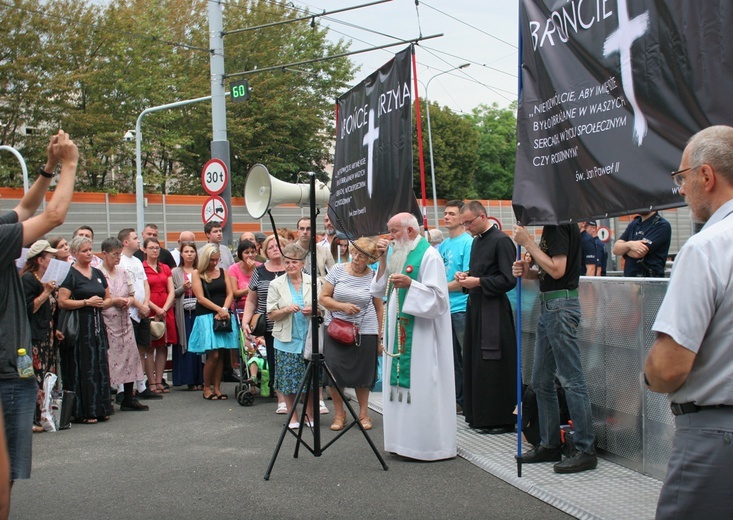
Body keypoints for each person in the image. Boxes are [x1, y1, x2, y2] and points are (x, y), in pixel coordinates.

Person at [643, 125, 733, 519]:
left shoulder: (707, 247)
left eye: (682, 178)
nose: (681, 189)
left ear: (706, 176)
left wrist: (648, 375)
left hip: (715, 437)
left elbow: (669, 367)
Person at [0, 130, 76, 493]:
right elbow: (54, 214)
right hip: (5, 367)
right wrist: (71, 162)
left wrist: (49, 165)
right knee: (6, 469)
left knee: (10, 469)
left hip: (15, 360)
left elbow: (26, 209)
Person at [370, 212, 456, 461]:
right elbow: (377, 289)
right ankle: (401, 443)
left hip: (422, 336)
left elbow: (439, 300)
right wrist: (383, 261)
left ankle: (428, 446)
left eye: (394, 231)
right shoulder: (397, 253)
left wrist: (411, 285)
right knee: (399, 388)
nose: (390, 236)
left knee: (423, 384)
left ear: (410, 231)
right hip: (399, 330)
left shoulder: (429, 255)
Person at [512, 222, 597, 473]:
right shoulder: (555, 225)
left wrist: (527, 243)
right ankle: (550, 444)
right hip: (552, 305)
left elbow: (558, 270)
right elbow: (550, 271)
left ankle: (584, 448)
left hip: (560, 306)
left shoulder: (559, 225)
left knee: (570, 379)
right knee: (541, 380)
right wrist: (529, 272)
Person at [456, 201, 517, 433]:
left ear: (483, 216)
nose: (467, 227)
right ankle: (479, 416)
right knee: (475, 362)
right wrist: (467, 276)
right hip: (476, 307)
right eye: (464, 223)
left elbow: (509, 279)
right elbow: (481, 271)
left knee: (493, 364)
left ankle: (500, 418)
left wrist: (479, 281)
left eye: (469, 222)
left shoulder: (501, 241)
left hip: (494, 310)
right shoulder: (476, 242)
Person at [319, 238, 383, 431]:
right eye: (354, 253)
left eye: (362, 256)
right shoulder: (338, 270)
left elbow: (379, 308)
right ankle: (340, 414)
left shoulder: (373, 275)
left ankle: (364, 413)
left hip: (365, 330)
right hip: (337, 329)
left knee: (363, 373)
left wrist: (379, 337)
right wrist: (342, 306)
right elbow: (323, 298)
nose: (356, 258)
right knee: (334, 372)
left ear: (370, 259)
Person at [58, 235, 114, 424]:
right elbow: (62, 301)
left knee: (99, 365)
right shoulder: (70, 274)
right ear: (74, 253)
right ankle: (85, 411)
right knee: (84, 367)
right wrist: (86, 302)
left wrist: (101, 303)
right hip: (80, 327)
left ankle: (102, 407)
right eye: (84, 251)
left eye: (90, 250)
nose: (89, 253)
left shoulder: (97, 273)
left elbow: (108, 297)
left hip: (98, 325)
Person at [267, 243, 315, 429]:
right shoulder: (276, 284)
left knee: (310, 380)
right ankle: (292, 416)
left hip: (309, 338)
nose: (290, 265)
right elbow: (270, 314)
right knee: (288, 381)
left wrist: (315, 309)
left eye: (294, 262)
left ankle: (309, 415)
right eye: (287, 262)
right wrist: (286, 309)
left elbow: (324, 310)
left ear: (302, 264)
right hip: (286, 339)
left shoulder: (314, 282)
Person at [99, 237, 147, 412]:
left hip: (124, 319)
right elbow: (101, 300)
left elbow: (132, 295)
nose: (118, 258)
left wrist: (128, 300)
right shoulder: (98, 272)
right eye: (114, 254)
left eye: (119, 254)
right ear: (104, 253)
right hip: (107, 321)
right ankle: (107, 397)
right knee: (109, 360)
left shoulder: (122, 271)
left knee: (130, 357)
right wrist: (114, 301)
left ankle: (129, 397)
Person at [187, 244, 239, 400]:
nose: (215, 263)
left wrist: (224, 309)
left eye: (217, 260)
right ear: (205, 259)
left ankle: (217, 388)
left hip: (223, 314)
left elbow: (230, 293)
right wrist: (219, 310)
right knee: (213, 354)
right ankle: (206, 387)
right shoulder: (197, 273)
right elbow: (200, 298)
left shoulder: (223, 272)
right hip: (206, 316)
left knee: (222, 353)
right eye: (212, 260)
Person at [242, 235, 287, 413]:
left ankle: (296, 395)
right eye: (271, 247)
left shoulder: (293, 267)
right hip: (269, 324)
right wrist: (246, 321)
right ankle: (281, 399)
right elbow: (251, 300)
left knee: (292, 360)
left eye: (279, 245)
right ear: (265, 251)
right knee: (275, 361)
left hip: (292, 322)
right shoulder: (259, 272)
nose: (275, 248)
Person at [20, 241, 60, 431]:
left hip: (48, 334)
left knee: (46, 376)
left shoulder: (48, 278)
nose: (53, 260)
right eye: (50, 257)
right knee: (35, 376)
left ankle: (45, 413)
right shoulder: (28, 279)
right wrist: (46, 292)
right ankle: (33, 417)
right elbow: (30, 308)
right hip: (35, 336)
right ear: (40, 259)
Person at [438, 200, 474, 414]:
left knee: (466, 356)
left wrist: (438, 287)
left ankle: (469, 400)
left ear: (462, 217)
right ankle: (458, 400)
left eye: (451, 213)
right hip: (444, 308)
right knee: (451, 359)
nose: (447, 217)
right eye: (445, 213)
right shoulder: (443, 245)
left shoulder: (467, 243)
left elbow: (465, 279)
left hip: (461, 307)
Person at [118, 229, 161, 401]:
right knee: (127, 351)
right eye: (135, 238)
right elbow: (122, 288)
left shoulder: (137, 261)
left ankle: (141, 386)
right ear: (126, 242)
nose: (139, 240)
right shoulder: (120, 261)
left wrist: (145, 305)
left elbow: (145, 284)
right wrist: (138, 305)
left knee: (142, 348)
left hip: (142, 312)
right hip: (130, 311)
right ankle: (122, 389)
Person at [142, 237, 178, 394]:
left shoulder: (165, 267)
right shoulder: (142, 268)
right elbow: (142, 292)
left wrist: (164, 308)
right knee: (150, 347)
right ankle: (151, 382)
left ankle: (159, 380)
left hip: (165, 308)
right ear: (144, 250)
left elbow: (171, 290)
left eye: (157, 248)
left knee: (163, 346)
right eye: (151, 248)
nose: (155, 250)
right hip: (150, 308)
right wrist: (156, 309)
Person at [171, 241, 204, 390]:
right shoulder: (175, 272)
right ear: (181, 254)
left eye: (192, 251)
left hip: (198, 311)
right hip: (183, 313)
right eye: (186, 251)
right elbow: (172, 294)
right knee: (186, 344)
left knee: (199, 343)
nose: (189, 254)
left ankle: (200, 379)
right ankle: (188, 379)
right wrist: (182, 288)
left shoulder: (200, 270)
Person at [612, 211, 671, 277]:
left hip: (650, 282)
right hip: (630, 280)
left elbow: (637, 253)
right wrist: (630, 244)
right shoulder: (635, 223)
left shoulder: (661, 225)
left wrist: (623, 250)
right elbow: (615, 249)